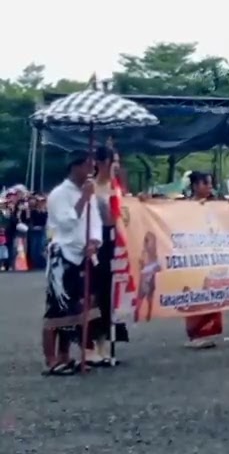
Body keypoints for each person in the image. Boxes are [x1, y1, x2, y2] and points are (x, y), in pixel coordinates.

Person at [41, 151, 103, 376]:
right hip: (63, 255)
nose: (91, 169)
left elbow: (94, 221)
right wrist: (83, 199)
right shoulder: (59, 193)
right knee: (57, 308)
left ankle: (66, 355)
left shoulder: (89, 192)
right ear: (75, 167)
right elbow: (66, 223)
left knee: (78, 308)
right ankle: (51, 359)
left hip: (84, 254)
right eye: (88, 165)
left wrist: (95, 241)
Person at [85, 147, 129, 366]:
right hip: (97, 240)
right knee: (95, 292)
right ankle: (92, 345)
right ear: (101, 163)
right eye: (114, 161)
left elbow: (123, 216)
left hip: (114, 242)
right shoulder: (91, 187)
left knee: (110, 295)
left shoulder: (116, 186)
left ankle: (105, 345)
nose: (117, 166)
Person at [184, 172, 224, 349]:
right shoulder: (185, 206)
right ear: (195, 186)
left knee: (212, 290)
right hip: (194, 255)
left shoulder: (214, 205)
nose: (209, 187)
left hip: (212, 254)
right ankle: (195, 335)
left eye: (210, 184)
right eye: (205, 183)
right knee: (196, 293)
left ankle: (208, 332)